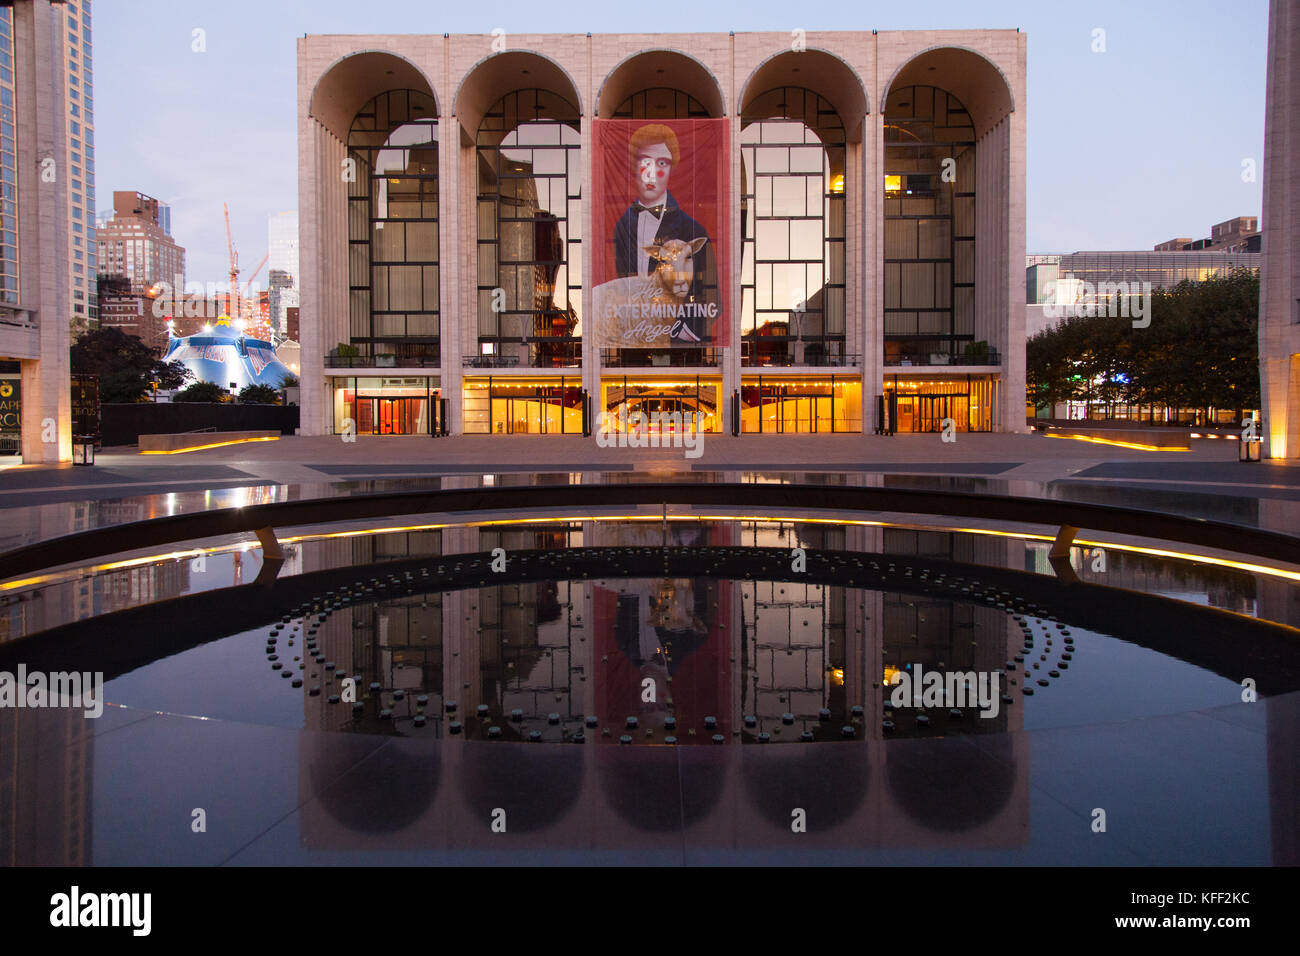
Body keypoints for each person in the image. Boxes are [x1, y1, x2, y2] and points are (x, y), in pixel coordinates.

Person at [612, 124, 713, 304]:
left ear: (671, 168)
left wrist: (674, 330)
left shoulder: (694, 231)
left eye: (661, 163)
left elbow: (712, 298)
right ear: (633, 167)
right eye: (645, 162)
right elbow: (620, 287)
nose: (651, 174)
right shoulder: (621, 226)